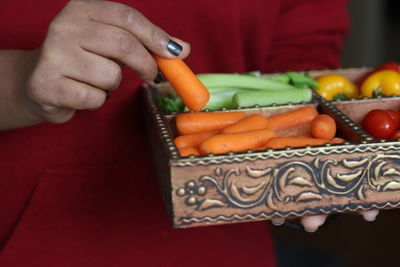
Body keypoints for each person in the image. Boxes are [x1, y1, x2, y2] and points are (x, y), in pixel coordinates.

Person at [0, 0, 378, 266]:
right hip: (45, 247)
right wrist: (19, 81)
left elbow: (304, 37)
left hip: (228, 246)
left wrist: (300, 164)